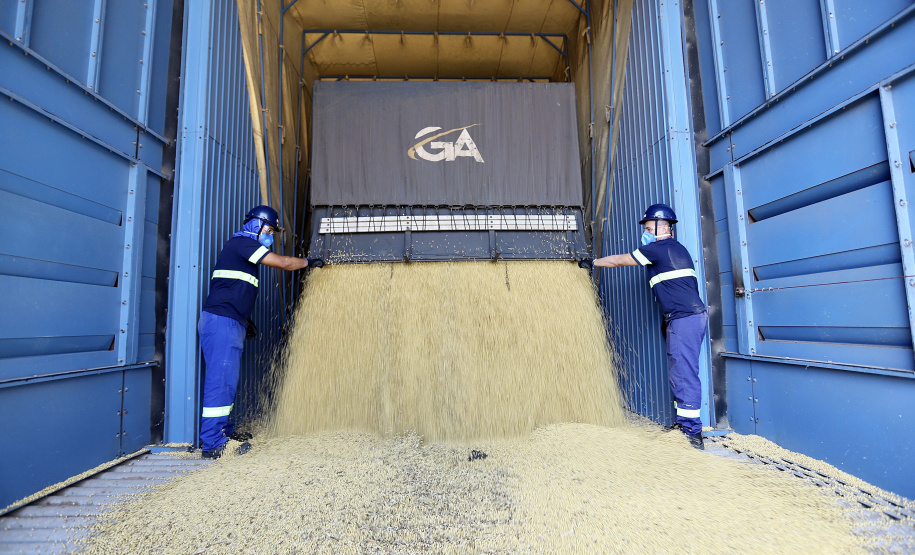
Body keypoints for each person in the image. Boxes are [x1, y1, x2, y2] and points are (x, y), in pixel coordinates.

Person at [198, 205, 324, 459]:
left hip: (231, 321)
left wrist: (245, 319)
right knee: (220, 382)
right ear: (256, 225)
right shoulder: (241, 243)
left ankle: (224, 431)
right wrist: (310, 262)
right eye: (269, 230)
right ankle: (212, 445)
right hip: (222, 322)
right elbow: (284, 263)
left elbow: (235, 289)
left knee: (228, 382)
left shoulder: (243, 250)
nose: (270, 236)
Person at [580, 203, 708, 450]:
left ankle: (692, 435)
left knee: (684, 374)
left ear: (664, 228)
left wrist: (593, 262)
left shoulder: (658, 249)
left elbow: (619, 261)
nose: (646, 232)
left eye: (649, 228)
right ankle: (683, 425)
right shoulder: (675, 249)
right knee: (679, 373)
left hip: (684, 319)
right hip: (682, 317)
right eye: (646, 229)